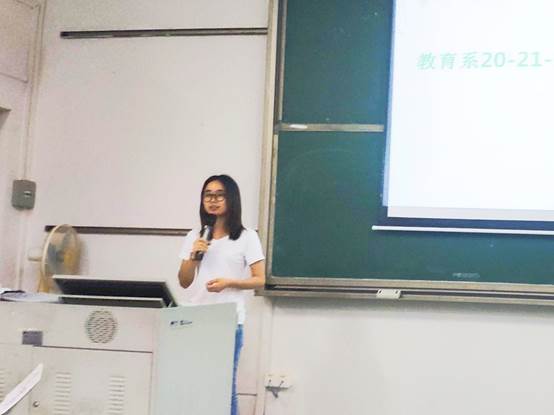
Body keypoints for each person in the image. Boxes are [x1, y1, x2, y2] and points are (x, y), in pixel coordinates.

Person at [178, 174, 265, 415]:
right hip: (195, 318)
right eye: (208, 195)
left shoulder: (247, 237)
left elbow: (260, 279)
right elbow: (184, 281)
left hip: (227, 320)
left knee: (224, 387)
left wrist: (229, 283)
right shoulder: (195, 236)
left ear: (231, 199)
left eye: (219, 195)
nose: (213, 200)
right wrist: (193, 255)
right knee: (194, 385)